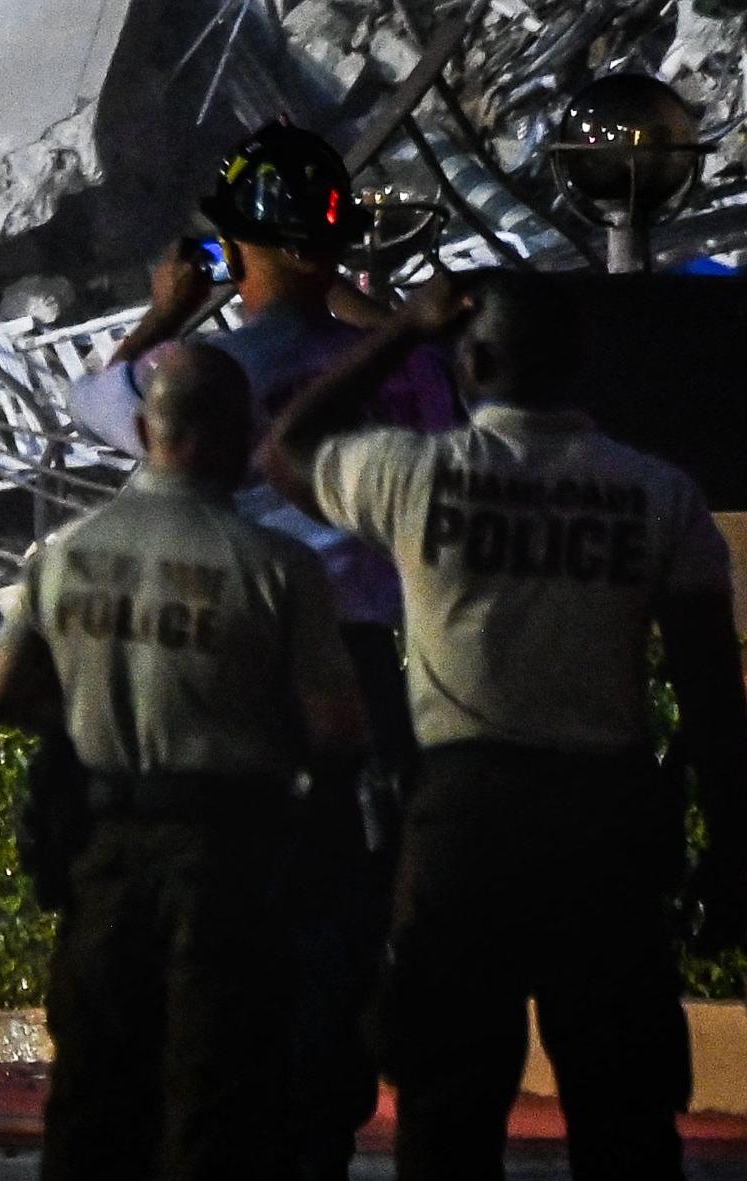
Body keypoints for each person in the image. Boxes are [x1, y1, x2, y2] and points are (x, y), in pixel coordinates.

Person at [259, 273, 747, 1181]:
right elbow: (710, 691)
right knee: (626, 1112)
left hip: (464, 822)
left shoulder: (417, 475)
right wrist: (724, 848)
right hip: (607, 821)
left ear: (472, 361)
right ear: (577, 364)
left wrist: (401, 329)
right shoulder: (657, 493)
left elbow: (286, 443)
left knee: (446, 1108)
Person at [65, 121, 454, 1181]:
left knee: (228, 940)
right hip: (378, 677)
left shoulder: (199, 374)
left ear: (234, 250)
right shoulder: (405, 374)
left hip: (228, 688)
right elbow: (438, 364)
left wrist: (163, 309)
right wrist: (370, 305)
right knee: (344, 933)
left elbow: (92, 397)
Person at [0, 341, 367, 1181]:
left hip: (101, 853)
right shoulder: (275, 566)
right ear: (234, 433)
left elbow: (4, 694)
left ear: (144, 427)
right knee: (212, 1095)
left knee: (91, 1090)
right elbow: (336, 728)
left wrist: (92, 714)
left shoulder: (66, 551)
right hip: (224, 858)